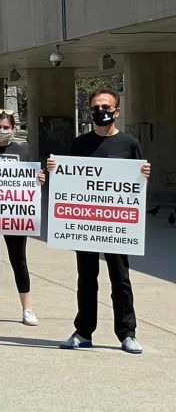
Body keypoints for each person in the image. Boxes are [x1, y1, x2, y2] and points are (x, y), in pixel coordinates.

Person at [50, 88, 151, 355]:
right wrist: (56, 171)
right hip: (85, 224)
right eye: (95, 107)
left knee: (120, 279)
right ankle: (83, 331)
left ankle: (127, 333)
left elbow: (136, 186)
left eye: (106, 107)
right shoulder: (80, 143)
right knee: (86, 278)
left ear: (117, 111)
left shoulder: (129, 144)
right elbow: (70, 179)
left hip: (116, 225)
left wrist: (144, 175)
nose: (100, 111)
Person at [0, 109, 44, 327]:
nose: (2, 131)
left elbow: (32, 179)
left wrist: (39, 180)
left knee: (19, 260)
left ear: (13, 129)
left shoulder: (23, 150)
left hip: (16, 216)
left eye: (6, 127)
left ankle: (27, 308)